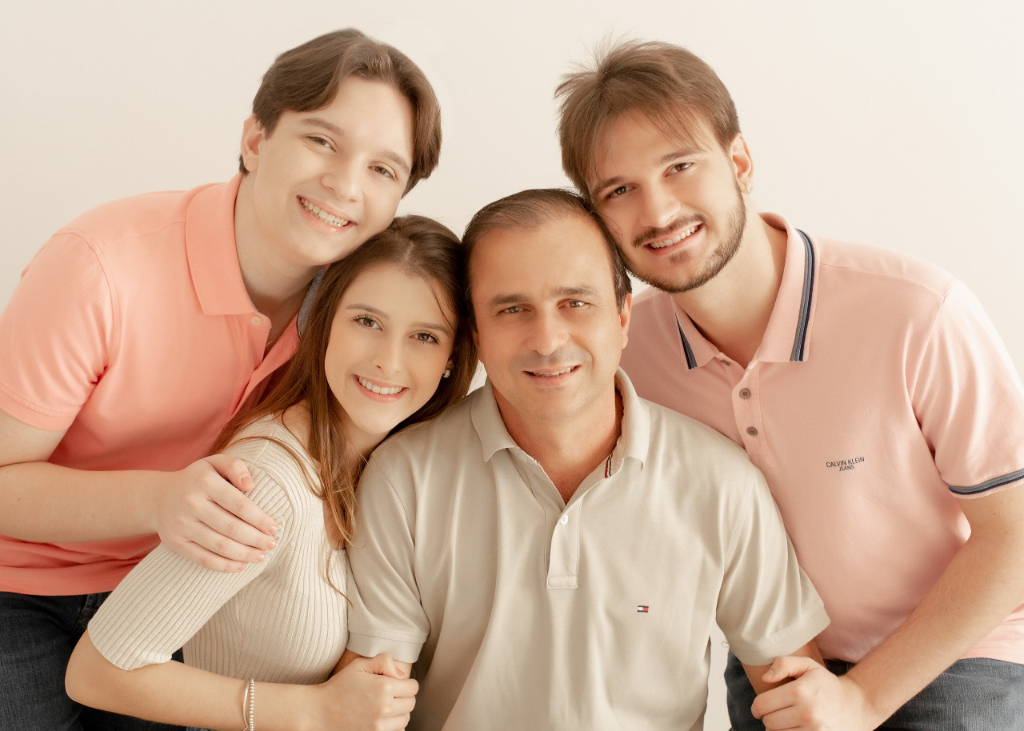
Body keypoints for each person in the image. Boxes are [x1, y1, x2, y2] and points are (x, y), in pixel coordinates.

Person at [555, 39, 1024, 730]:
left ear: (739, 162)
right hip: (777, 664)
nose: (655, 212)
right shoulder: (629, 358)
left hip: (956, 654)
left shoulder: (915, 310)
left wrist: (863, 698)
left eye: (679, 166)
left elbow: (1014, 534)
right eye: (618, 190)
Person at [0, 28, 442, 730]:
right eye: (322, 141)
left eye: (384, 170)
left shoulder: (356, 314)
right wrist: (158, 499)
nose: (346, 184)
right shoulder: (99, 267)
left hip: (173, 586)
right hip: (17, 585)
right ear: (256, 140)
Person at [342, 189, 827, 730]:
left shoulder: (722, 483)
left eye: (575, 303)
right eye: (512, 309)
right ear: (476, 334)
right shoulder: (404, 478)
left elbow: (798, 698)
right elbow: (367, 707)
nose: (547, 339)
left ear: (623, 316)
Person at [64, 215, 477, 731]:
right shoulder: (268, 483)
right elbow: (100, 670)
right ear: (325, 322)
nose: (388, 362)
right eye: (366, 321)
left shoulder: (401, 465)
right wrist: (315, 711)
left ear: (451, 357)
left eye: (423, 336)